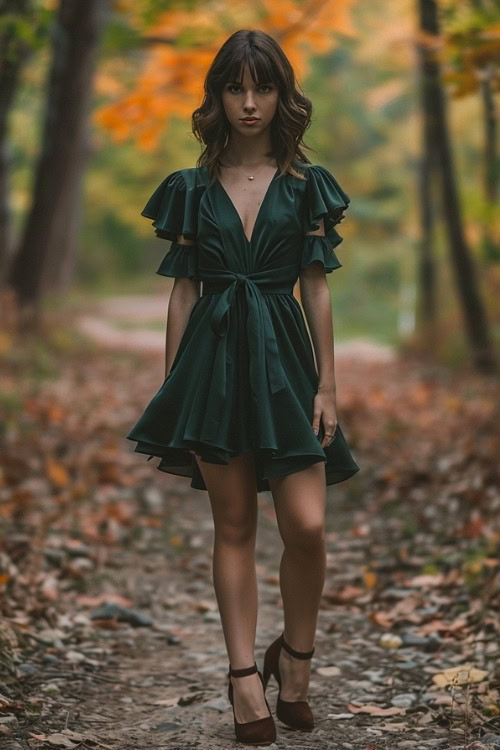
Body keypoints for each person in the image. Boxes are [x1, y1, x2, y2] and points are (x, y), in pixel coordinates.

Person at [127, 28, 360, 746]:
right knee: (234, 526)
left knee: (309, 527)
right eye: (235, 88)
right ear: (217, 96)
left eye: (263, 88)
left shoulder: (305, 186)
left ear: (282, 94)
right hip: (214, 368)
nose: (249, 103)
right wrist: (176, 388)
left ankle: (295, 658)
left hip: (289, 364)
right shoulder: (190, 189)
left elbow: (316, 291)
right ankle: (243, 682)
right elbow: (183, 293)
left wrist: (327, 386)